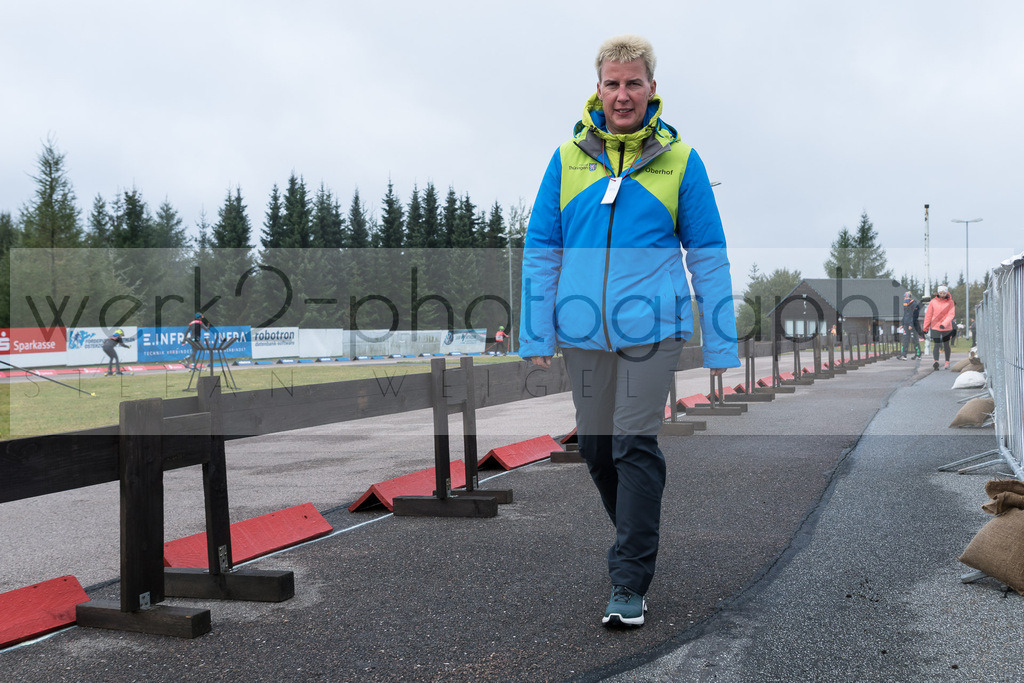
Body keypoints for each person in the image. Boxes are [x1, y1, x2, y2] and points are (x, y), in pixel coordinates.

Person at [519, 34, 739, 628]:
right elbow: (542, 248)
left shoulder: (680, 160)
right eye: (612, 83)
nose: (622, 95)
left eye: (633, 83)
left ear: (652, 89)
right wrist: (536, 333)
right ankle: (637, 536)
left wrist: (720, 341)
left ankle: (629, 578)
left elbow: (708, 254)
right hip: (584, 330)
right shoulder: (567, 158)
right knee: (594, 447)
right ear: (598, 88)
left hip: (654, 329)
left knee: (633, 441)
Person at [923, 285, 955, 370]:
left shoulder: (950, 302)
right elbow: (928, 315)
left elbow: (951, 314)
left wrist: (944, 324)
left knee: (946, 345)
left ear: (947, 293)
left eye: (944, 293)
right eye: (941, 293)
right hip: (935, 326)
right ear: (938, 293)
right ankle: (936, 361)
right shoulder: (933, 302)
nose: (942, 295)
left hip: (946, 327)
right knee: (936, 344)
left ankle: (947, 362)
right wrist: (925, 327)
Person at [899, 291, 921, 360]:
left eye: (907, 297)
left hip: (913, 325)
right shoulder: (905, 304)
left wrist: (911, 324)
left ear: (910, 297)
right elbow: (905, 315)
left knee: (915, 340)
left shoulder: (914, 304)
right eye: (905, 297)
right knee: (905, 340)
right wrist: (902, 324)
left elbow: (914, 316)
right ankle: (903, 355)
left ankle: (918, 354)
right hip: (906, 324)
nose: (906, 298)